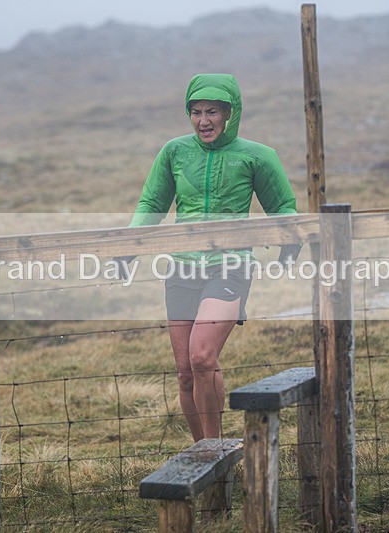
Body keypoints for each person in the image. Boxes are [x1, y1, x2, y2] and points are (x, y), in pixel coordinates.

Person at [126, 73, 300, 442]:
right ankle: (202, 453)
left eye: (212, 112)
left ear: (230, 113)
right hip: (181, 267)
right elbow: (152, 203)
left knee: (202, 357)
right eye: (196, 112)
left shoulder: (257, 155)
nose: (203, 121)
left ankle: (217, 449)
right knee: (186, 372)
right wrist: (129, 245)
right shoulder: (174, 151)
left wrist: (291, 239)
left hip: (231, 264)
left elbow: (282, 206)